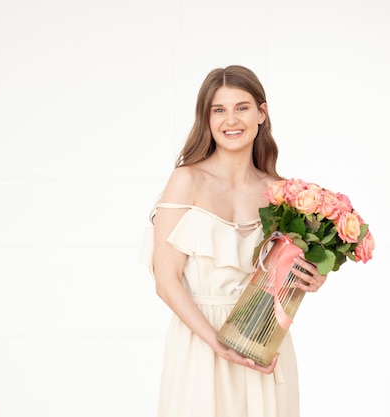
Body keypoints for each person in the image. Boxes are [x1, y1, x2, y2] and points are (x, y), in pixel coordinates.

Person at [140, 65, 328, 417]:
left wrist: (313, 277)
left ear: (261, 113)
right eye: (219, 110)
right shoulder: (186, 180)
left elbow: (283, 275)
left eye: (241, 107)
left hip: (263, 341)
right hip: (200, 344)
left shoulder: (280, 191)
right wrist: (220, 346)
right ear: (207, 119)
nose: (231, 120)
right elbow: (165, 283)